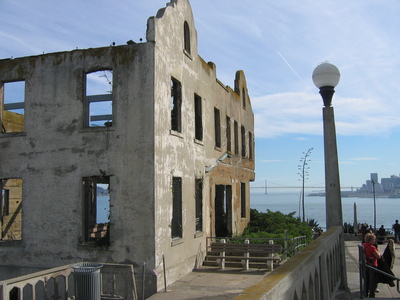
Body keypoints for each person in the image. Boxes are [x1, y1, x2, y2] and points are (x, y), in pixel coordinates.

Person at [363, 233, 381, 298]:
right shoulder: (372, 247)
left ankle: (365, 293)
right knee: (373, 280)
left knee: (367, 280)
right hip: (373, 265)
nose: (375, 241)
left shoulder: (364, 245)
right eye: (374, 239)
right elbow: (378, 256)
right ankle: (372, 293)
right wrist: (378, 251)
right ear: (370, 240)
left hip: (366, 264)